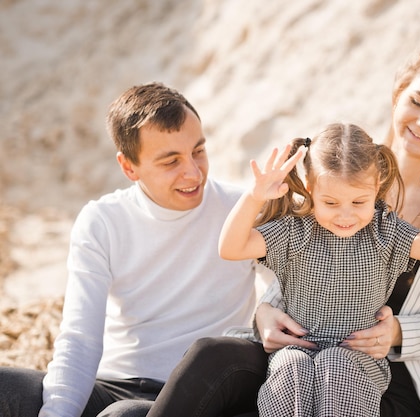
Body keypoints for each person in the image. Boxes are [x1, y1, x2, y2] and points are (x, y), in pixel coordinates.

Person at [146, 42, 420, 417]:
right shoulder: (348, 172)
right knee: (210, 357)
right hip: (302, 354)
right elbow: (301, 263)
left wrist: (400, 333)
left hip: (397, 373)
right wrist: (266, 314)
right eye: (419, 103)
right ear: (398, 95)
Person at [0, 82, 263, 417]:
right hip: (112, 385)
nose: (193, 172)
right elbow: (80, 337)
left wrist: (268, 309)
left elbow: (297, 281)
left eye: (198, 150)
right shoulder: (103, 221)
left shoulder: (240, 209)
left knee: (123, 416)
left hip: (198, 394)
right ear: (129, 167)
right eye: (171, 161)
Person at [218, 122, 420, 416]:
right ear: (310, 188)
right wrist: (255, 196)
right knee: (291, 364)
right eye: (330, 202)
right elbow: (231, 247)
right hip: (297, 351)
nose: (345, 215)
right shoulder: (296, 231)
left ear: (377, 186)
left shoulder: (384, 233)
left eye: (358, 201)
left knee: (336, 363)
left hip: (358, 359)